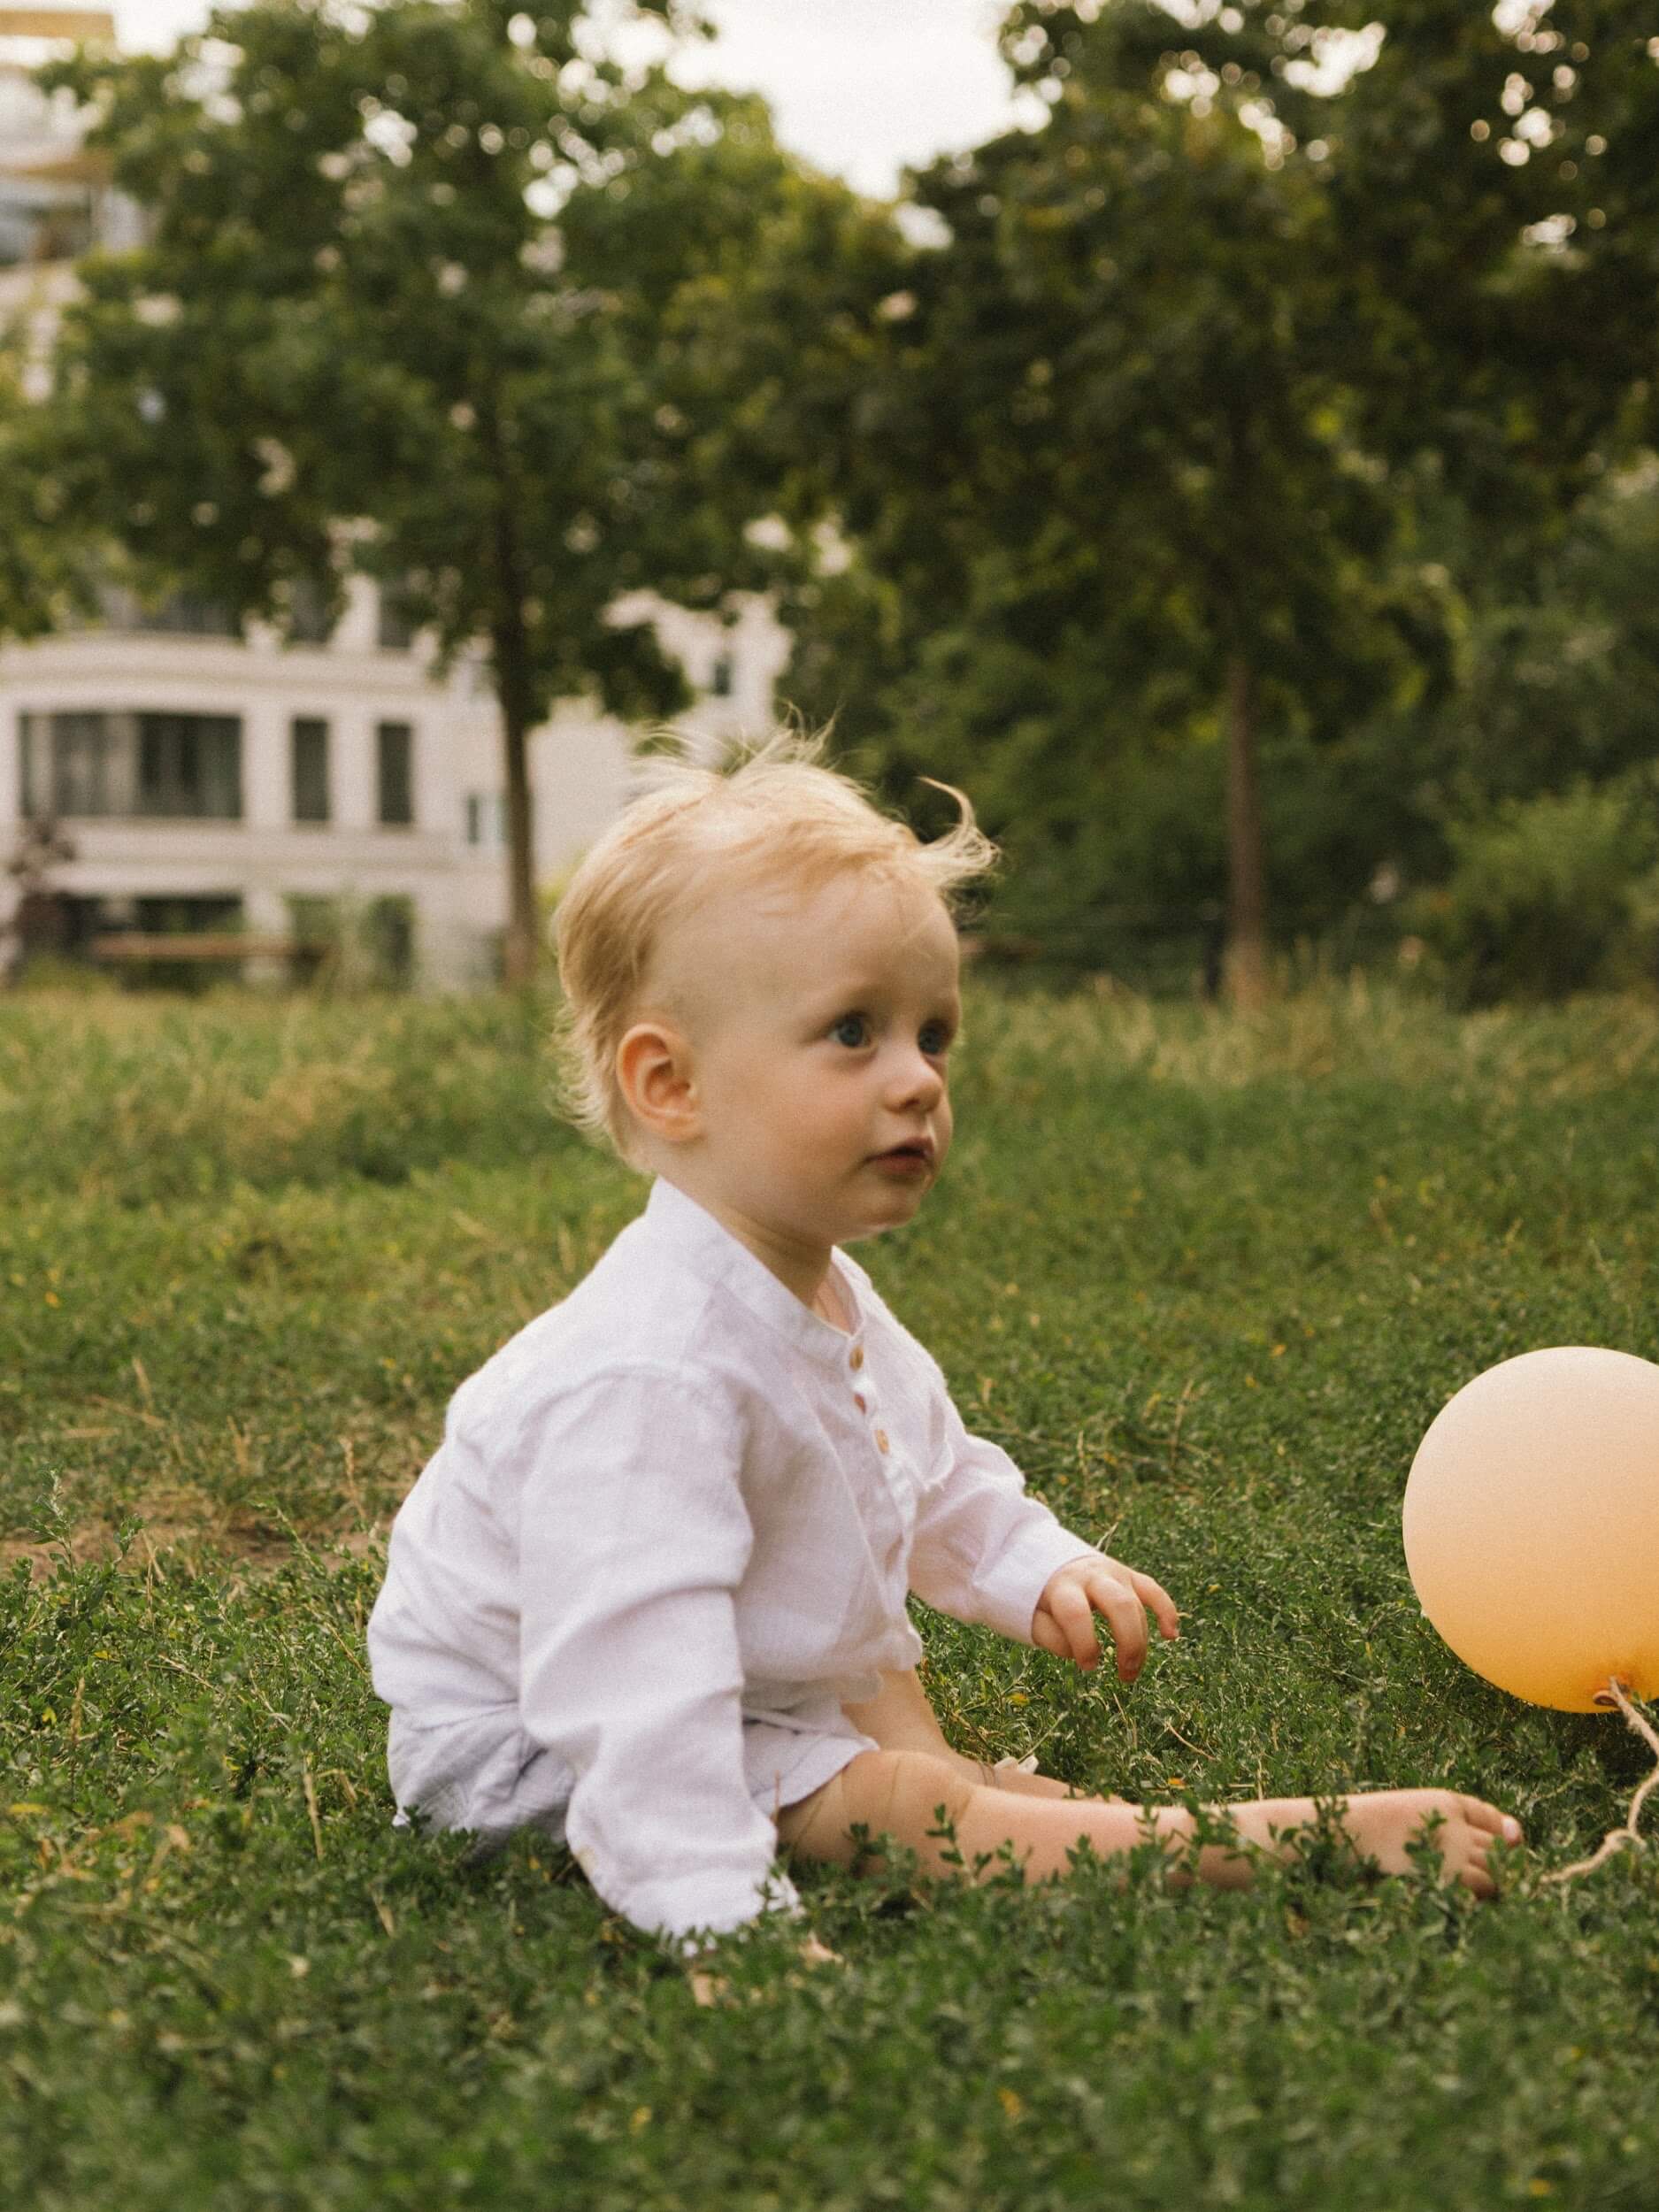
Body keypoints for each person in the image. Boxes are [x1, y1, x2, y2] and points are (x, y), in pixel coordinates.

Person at [365, 728, 1522, 1962]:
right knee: (894, 1796)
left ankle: (1014, 1813)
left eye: (934, 1034)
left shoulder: (825, 1291)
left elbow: (924, 1472)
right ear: (671, 1085)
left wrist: (1036, 1567)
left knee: (879, 1679)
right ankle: (1267, 1841)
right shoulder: (647, 1375)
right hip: (521, 1745)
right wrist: (719, 1913)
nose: (918, 1079)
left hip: (729, 1677)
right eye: (855, 1033)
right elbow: (634, 1694)